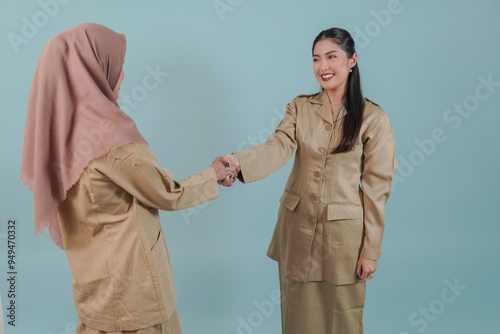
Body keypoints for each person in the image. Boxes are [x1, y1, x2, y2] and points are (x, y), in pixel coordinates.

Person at [20, 23, 238, 334]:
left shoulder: (58, 138)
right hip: (135, 296)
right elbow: (166, 193)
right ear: (93, 69)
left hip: (93, 294)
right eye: (115, 65)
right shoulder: (111, 139)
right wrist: (213, 175)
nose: (122, 75)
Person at [221, 27, 397, 333]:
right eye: (316, 59)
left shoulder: (373, 118)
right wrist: (238, 164)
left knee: (342, 316)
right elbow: (277, 148)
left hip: (344, 239)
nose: (323, 67)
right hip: (298, 230)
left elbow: (377, 189)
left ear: (352, 60)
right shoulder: (300, 107)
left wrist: (372, 249)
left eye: (332, 57)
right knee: (298, 316)